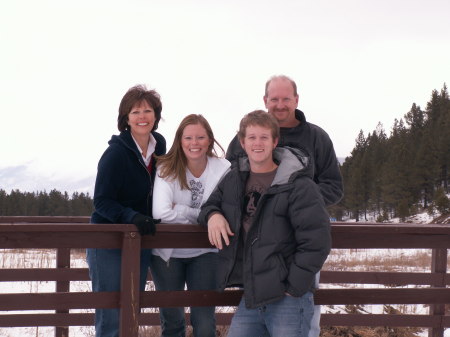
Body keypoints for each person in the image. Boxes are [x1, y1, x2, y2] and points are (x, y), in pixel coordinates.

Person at [226, 74, 343, 336]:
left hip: (298, 244)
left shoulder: (316, 137)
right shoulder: (243, 139)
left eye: (286, 99)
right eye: (274, 99)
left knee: (303, 318)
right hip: (259, 250)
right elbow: (231, 185)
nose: (280, 104)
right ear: (265, 100)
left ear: (296, 100)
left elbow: (334, 187)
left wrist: (296, 206)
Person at [199, 110, 331, 337]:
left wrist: (294, 287)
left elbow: (317, 241)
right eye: (251, 137)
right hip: (252, 296)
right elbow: (208, 206)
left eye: (263, 137)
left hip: (288, 298)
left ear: (275, 141)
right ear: (242, 142)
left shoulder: (298, 184)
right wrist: (213, 215)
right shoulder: (235, 178)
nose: (257, 143)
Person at [87, 84, 166, 337]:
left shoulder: (160, 147)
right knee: (110, 312)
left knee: (132, 308)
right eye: (135, 112)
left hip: (140, 238)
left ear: (155, 115)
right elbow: (101, 201)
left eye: (147, 111)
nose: (142, 116)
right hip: (108, 240)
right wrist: (131, 216)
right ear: (126, 119)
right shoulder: (115, 155)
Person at [150, 114, 231, 337]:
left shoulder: (223, 168)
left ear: (209, 140)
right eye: (188, 138)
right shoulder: (166, 167)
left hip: (206, 250)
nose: (194, 143)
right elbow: (161, 212)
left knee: (204, 322)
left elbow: (228, 212)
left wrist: (182, 209)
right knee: (172, 321)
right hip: (168, 253)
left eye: (200, 137)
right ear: (180, 140)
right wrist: (206, 216)